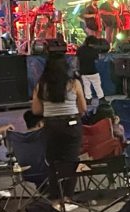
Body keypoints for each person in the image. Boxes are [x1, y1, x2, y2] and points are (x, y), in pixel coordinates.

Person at [30, 55, 87, 202]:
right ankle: (68, 195)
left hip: (51, 126)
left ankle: (55, 194)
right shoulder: (73, 83)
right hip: (72, 124)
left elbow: (36, 110)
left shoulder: (41, 85)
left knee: (53, 160)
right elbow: (83, 108)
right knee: (71, 159)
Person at [76, 35, 104, 104]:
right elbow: (97, 60)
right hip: (93, 71)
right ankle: (101, 98)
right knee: (97, 86)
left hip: (83, 71)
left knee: (86, 86)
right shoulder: (94, 50)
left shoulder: (80, 49)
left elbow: (77, 60)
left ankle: (88, 99)